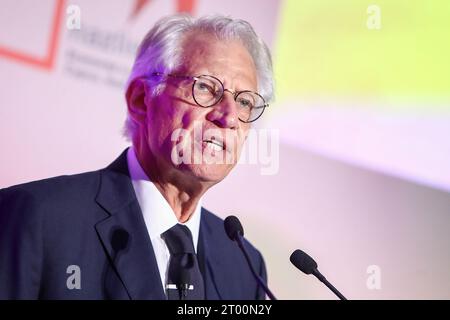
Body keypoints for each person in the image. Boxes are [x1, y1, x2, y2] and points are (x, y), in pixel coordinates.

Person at [0, 14, 274, 300]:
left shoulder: (244, 265)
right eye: (205, 87)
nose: (228, 116)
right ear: (141, 100)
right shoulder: (38, 218)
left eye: (244, 101)